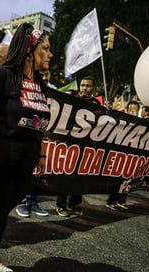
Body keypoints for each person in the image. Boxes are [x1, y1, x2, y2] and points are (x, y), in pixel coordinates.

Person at [0, 23, 52, 272]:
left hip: (23, 162)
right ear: (30, 50)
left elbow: (39, 123)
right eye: (46, 49)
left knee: (2, 213)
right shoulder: (0, 75)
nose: (50, 55)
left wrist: (39, 153)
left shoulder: (40, 85)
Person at [56, 76, 99, 217]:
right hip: (69, 145)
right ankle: (61, 205)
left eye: (88, 86)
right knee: (65, 174)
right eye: (82, 85)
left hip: (86, 147)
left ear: (93, 88)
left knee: (81, 177)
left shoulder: (96, 105)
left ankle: (73, 204)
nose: (84, 88)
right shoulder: (71, 100)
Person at [15, 70, 54, 218]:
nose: (44, 77)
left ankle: (33, 202)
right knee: (22, 173)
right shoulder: (24, 87)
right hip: (24, 136)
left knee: (36, 173)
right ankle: (21, 202)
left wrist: (42, 154)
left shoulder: (52, 92)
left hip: (41, 137)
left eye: (46, 74)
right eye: (41, 74)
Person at [106, 100, 140, 210]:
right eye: (131, 110)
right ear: (127, 110)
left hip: (131, 156)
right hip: (119, 155)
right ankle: (111, 201)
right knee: (116, 180)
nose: (133, 113)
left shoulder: (140, 123)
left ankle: (122, 200)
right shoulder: (121, 120)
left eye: (135, 111)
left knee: (127, 180)